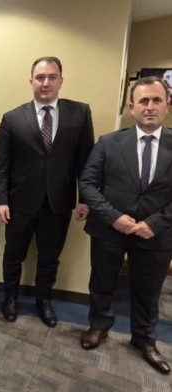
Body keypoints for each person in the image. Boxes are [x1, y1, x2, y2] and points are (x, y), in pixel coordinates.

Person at [78, 76, 172, 374]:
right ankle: (99, 326)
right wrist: (114, 217)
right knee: (102, 281)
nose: (149, 106)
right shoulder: (109, 142)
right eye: (143, 101)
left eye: (156, 100)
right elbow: (88, 184)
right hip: (109, 229)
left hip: (156, 234)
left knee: (149, 289)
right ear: (131, 107)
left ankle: (144, 339)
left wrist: (155, 222)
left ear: (167, 105)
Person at [0, 56, 94, 327]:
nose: (45, 82)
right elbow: (0, 165)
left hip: (58, 202)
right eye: (40, 77)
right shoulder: (12, 118)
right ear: (31, 82)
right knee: (13, 255)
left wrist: (85, 198)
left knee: (50, 258)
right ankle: (10, 297)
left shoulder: (80, 113)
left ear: (61, 80)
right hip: (19, 203)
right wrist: (0, 200)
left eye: (51, 77)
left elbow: (87, 162)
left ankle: (44, 300)